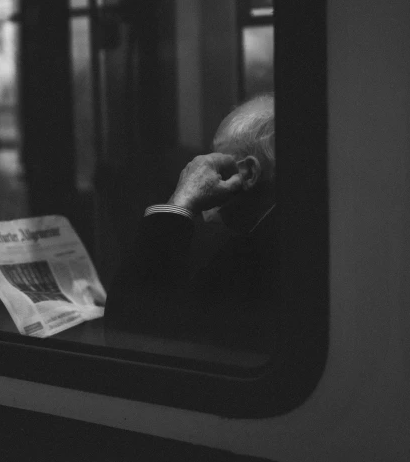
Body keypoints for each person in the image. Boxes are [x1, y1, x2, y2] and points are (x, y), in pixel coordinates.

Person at [105, 94, 279, 351]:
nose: (202, 173)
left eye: (217, 164)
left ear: (249, 173)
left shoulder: (251, 260)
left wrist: (180, 203)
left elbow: (128, 331)